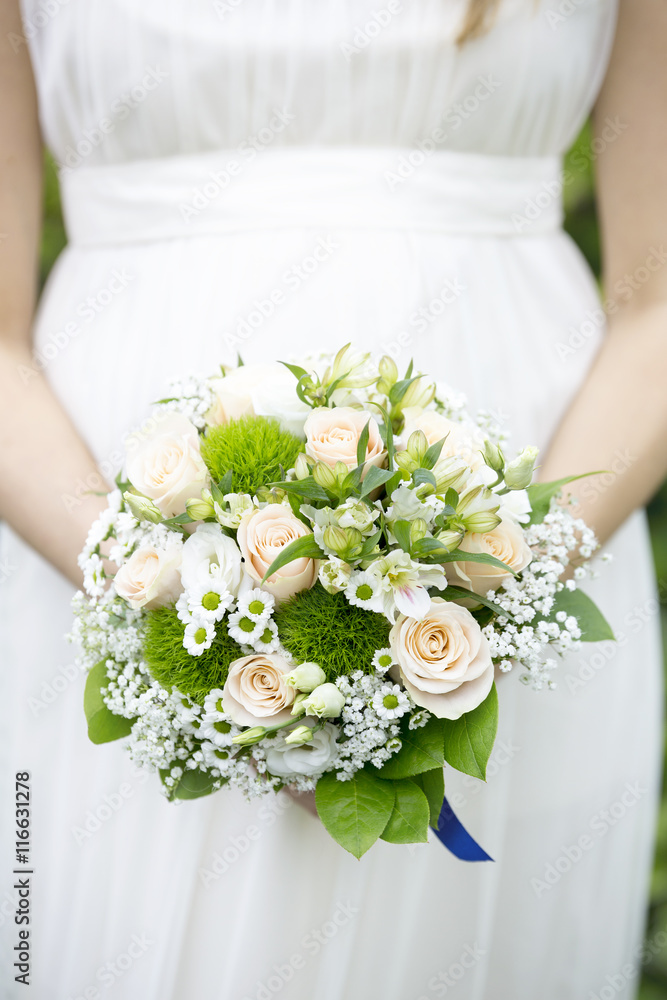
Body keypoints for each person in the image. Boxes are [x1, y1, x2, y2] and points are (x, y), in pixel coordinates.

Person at [0, 1, 664, 997]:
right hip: (84, 548)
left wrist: (500, 584)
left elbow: (656, 304)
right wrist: (150, 587)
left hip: (538, 553)